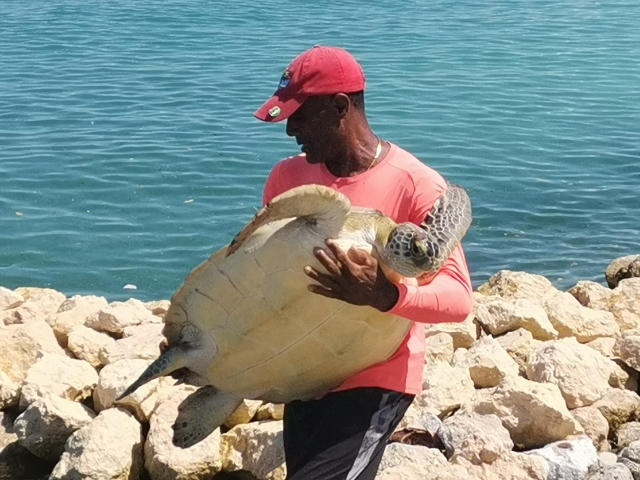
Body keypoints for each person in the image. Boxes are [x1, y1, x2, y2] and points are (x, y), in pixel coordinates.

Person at [253, 45, 473, 480]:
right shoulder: (286, 179)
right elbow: (265, 273)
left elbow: (459, 298)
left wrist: (385, 294)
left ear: (339, 107)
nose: (290, 129)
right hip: (304, 370)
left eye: (299, 114)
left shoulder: (416, 184)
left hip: (376, 375)